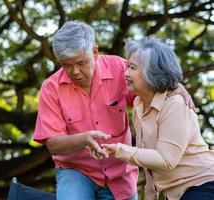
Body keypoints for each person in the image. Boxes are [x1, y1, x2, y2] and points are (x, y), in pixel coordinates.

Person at [33, 21, 191, 200]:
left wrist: (176, 86)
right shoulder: (50, 88)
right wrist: (83, 139)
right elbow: (53, 144)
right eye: (66, 65)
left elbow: (150, 88)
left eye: (80, 62)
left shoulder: (120, 69)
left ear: (95, 51)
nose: (75, 71)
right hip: (76, 171)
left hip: (121, 172)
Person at [101, 37, 214, 200]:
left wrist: (119, 149)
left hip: (204, 185)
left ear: (151, 73)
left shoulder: (174, 105)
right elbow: (150, 162)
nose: (125, 74)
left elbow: (166, 159)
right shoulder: (139, 104)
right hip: (178, 193)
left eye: (132, 68)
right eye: (127, 66)